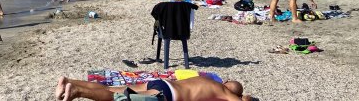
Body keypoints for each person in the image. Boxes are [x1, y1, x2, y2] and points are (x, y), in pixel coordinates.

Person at [54, 75, 251, 101]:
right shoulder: (223, 92)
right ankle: (77, 92)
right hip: (168, 94)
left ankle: (70, 81)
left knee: (115, 88)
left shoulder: (207, 79)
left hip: (163, 83)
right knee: (121, 98)